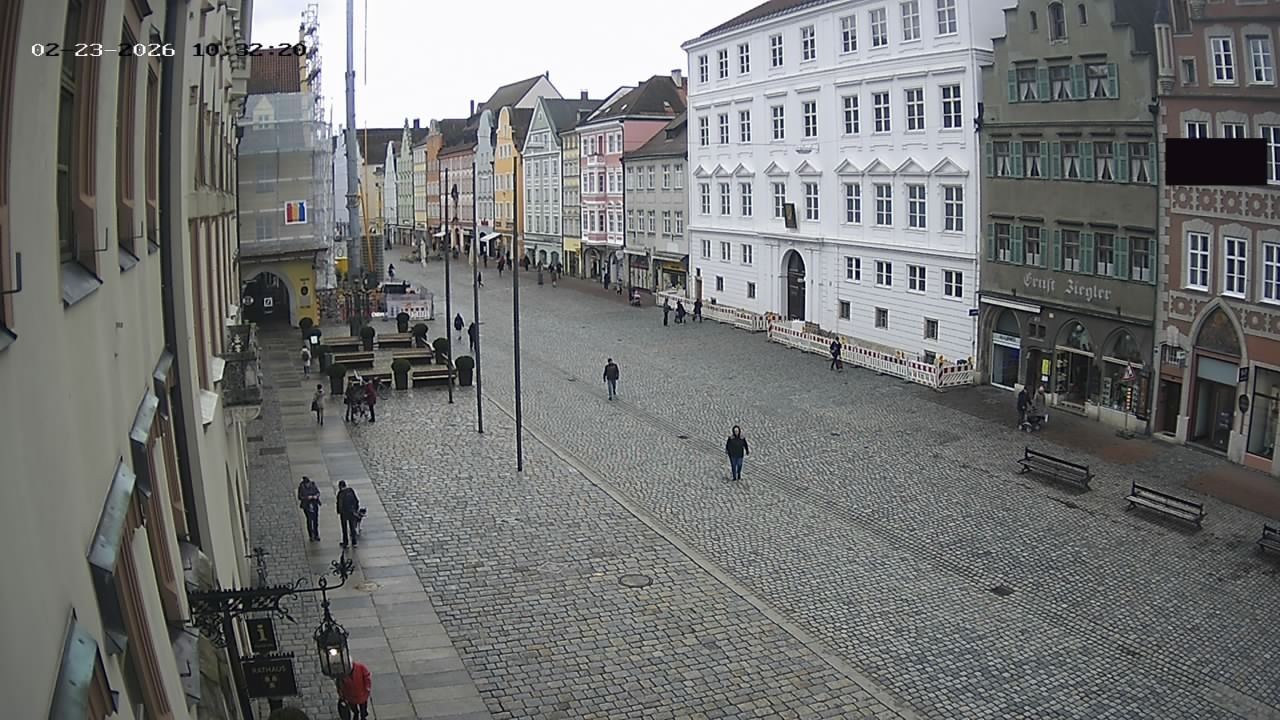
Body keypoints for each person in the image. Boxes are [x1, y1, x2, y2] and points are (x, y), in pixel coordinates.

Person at [337, 481, 361, 548]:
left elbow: (340, 504)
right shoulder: (351, 491)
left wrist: (339, 511)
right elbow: (356, 501)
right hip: (351, 512)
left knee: (344, 528)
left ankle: (346, 542)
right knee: (352, 527)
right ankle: (354, 542)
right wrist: (355, 509)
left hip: (344, 513)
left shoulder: (340, 493)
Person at [297, 476, 321, 542]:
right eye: (307, 484)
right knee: (309, 521)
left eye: (308, 483)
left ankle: (316, 534)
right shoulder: (301, 487)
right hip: (306, 505)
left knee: (315, 520)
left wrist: (316, 496)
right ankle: (311, 535)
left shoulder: (313, 485)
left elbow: (318, 492)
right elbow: (299, 497)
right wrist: (307, 497)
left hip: (314, 504)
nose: (308, 485)